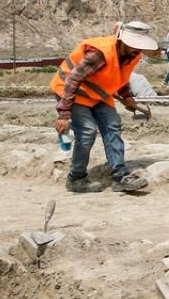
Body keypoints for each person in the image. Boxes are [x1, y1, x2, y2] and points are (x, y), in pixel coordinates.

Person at [50, 21, 156, 193]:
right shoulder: (99, 54)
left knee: (112, 125)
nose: (138, 49)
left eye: (140, 45)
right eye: (134, 45)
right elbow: (73, 80)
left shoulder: (133, 55)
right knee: (87, 131)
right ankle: (76, 178)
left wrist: (127, 96)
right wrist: (64, 114)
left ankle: (120, 177)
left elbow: (120, 76)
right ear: (122, 41)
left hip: (98, 94)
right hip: (71, 91)